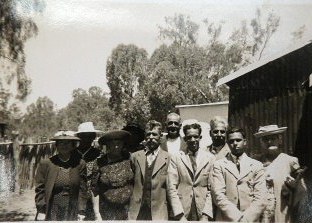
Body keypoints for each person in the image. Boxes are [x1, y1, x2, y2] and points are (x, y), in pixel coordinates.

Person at [211, 127, 267, 222]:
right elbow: (218, 194)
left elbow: (261, 196)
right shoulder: (219, 165)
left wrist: (247, 218)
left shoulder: (256, 165)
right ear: (227, 143)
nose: (235, 143)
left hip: (251, 220)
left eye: (238, 140)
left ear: (245, 142)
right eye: (231, 141)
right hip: (226, 219)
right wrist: (237, 217)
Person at [254, 125, 307, 223]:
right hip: (260, 213)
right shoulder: (255, 162)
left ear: (280, 140)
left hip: (282, 212)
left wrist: (293, 187)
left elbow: (302, 191)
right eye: (266, 139)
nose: (269, 142)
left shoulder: (290, 161)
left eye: (273, 138)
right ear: (261, 142)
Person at [167, 122, 215, 221]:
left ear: (200, 137)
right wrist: (179, 215)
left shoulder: (210, 158)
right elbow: (171, 187)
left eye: (195, 136)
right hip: (183, 210)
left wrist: (206, 215)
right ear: (185, 139)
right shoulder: (176, 158)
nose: (193, 140)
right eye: (189, 137)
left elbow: (212, 189)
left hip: (202, 210)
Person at [34, 130, 87, 221]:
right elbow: (40, 189)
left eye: (68, 143)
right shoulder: (46, 163)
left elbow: (82, 189)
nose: (64, 146)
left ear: (73, 146)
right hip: (52, 207)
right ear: (56, 145)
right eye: (61, 143)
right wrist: (41, 209)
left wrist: (81, 210)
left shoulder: (80, 163)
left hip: (71, 208)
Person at [128, 120, 170, 220]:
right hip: (138, 210)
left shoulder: (168, 158)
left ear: (160, 137)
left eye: (154, 134)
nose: (151, 137)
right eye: (148, 134)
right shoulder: (135, 156)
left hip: (158, 211)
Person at [91, 129, 134, 220]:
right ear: (107, 144)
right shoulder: (99, 162)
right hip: (107, 211)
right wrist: (97, 213)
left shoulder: (130, 158)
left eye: (119, 141)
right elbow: (94, 189)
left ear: (123, 143)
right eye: (112, 142)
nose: (116, 145)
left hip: (128, 211)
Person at [75, 121, 103, 220]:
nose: (87, 139)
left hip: (94, 196)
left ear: (93, 137)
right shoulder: (72, 153)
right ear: (79, 137)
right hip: (75, 195)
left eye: (90, 136)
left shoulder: (98, 154)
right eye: (84, 136)